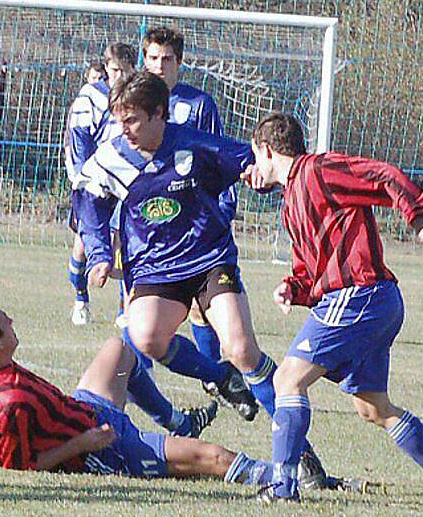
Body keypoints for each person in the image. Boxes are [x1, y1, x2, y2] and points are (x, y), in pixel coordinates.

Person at [75, 71, 329, 488]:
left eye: (133, 120)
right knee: (147, 338)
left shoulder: (195, 143)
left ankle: (300, 453)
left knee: (244, 349)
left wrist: (260, 177)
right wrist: (101, 255)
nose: (125, 131)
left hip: (209, 259)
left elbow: (251, 165)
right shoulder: (111, 158)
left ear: (160, 114)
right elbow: (88, 204)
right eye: (120, 121)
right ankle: (219, 376)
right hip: (154, 268)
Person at [241, 111, 423, 506]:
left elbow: (383, 174)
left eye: (256, 157)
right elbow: (310, 267)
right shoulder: (291, 200)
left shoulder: (317, 170)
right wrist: (292, 287)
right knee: (372, 407)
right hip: (376, 302)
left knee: (287, 381)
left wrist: (421, 223)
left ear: (266, 150)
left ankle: (283, 488)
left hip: (359, 295)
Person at [0, 297, 278, 487]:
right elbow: (24, 465)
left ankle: (176, 421)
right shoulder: (9, 405)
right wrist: (86, 444)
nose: (12, 320)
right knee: (214, 458)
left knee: (119, 349)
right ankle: (284, 478)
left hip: (85, 410)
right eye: (5, 320)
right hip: (105, 449)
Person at [141, 26, 234, 368]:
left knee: (198, 305)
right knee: (136, 302)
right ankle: (141, 374)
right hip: (144, 219)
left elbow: (219, 157)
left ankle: (215, 375)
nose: (159, 66)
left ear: (179, 63)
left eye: (167, 59)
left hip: (190, 217)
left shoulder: (198, 105)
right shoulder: (131, 101)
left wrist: (223, 208)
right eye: (153, 58)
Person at [64, 44, 136, 326]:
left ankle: (124, 308)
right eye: (115, 70)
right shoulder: (90, 97)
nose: (119, 76)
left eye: (125, 71)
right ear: (106, 68)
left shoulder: (136, 97)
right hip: (93, 183)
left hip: (125, 182)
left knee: (125, 243)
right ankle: (81, 298)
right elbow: (79, 138)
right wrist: (83, 177)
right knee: (84, 244)